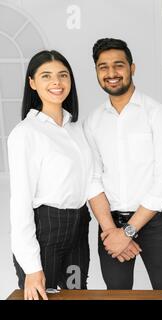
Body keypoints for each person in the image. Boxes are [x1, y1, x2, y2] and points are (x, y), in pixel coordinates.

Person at [84, 38, 162, 289]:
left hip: (155, 223)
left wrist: (126, 232)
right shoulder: (92, 122)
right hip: (110, 224)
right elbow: (92, 179)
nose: (111, 73)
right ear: (96, 72)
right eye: (103, 67)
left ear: (132, 68)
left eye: (118, 65)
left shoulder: (158, 115)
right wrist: (111, 231)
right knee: (116, 295)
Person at [8, 50, 94, 300]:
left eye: (62, 75)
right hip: (46, 229)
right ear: (33, 83)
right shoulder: (26, 133)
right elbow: (21, 202)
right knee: (44, 296)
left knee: (76, 294)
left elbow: (89, 181)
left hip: (78, 226)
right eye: (46, 76)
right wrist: (32, 268)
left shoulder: (76, 128)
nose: (56, 82)